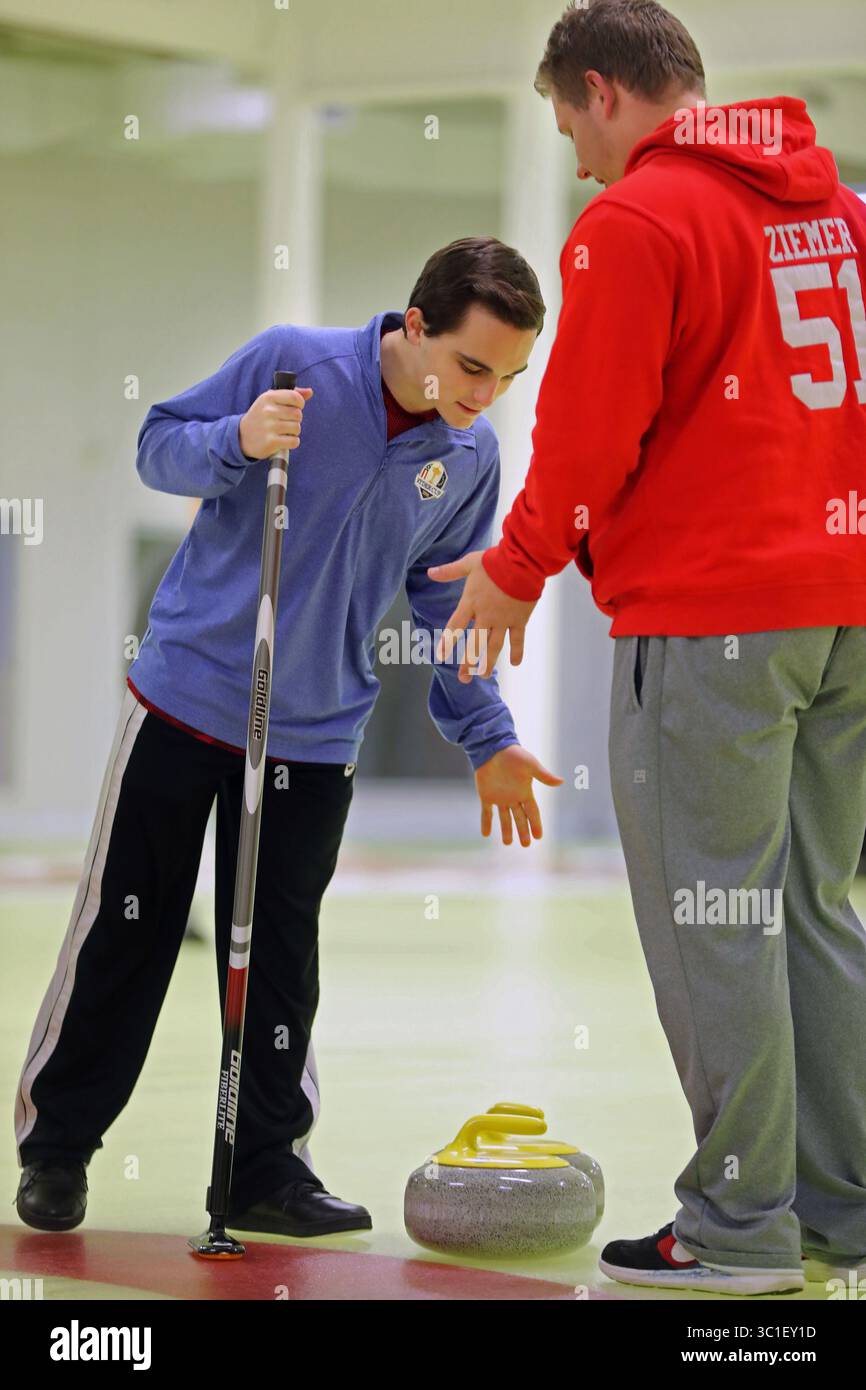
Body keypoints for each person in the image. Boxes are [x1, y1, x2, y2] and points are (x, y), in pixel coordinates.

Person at [433, 0, 866, 1295]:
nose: (573, 154)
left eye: (569, 118)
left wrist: (516, 570)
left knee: (711, 917)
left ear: (607, 90)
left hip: (714, 618)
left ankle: (735, 1228)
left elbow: (587, 426)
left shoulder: (638, 221)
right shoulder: (839, 214)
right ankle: (837, 1214)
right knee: (811, 908)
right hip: (845, 607)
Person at [14, 237, 562, 1239]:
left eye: (509, 377)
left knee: (278, 959)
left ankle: (263, 1168)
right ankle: (57, 1149)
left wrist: (486, 734)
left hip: (313, 735)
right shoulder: (292, 365)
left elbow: (446, 610)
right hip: (187, 701)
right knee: (126, 934)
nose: (486, 396)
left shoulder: (467, 455)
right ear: (413, 325)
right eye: (473, 366)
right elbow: (157, 444)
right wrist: (238, 437)